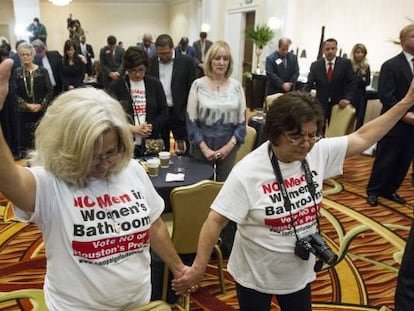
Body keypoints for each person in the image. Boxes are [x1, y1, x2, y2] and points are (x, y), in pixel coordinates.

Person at [174, 81, 414, 310]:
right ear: (275, 132)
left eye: (312, 135)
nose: (306, 144)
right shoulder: (248, 172)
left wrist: (406, 101)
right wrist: (198, 268)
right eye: (296, 136)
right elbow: (215, 221)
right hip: (256, 275)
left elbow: (363, 137)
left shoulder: (316, 153)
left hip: (299, 272)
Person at [0, 58, 195, 310]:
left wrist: (178, 267)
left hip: (137, 303)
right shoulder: (50, 182)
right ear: (67, 150)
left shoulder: (131, 169)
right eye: (91, 158)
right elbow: (7, 177)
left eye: (110, 153)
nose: (103, 165)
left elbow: (154, 225)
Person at [366, 24, 414, 207]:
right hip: (393, 122)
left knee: (404, 159)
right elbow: (386, 96)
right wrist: (405, 115)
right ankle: (373, 191)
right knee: (386, 158)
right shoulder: (391, 65)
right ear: (403, 41)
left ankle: (390, 190)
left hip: (412, 127)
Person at [187, 40, 246, 182]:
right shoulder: (198, 85)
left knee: (224, 189)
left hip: (229, 148)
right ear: (210, 61)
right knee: (200, 190)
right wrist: (204, 148)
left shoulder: (237, 86)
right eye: (217, 58)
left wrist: (227, 148)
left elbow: (242, 122)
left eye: (225, 59)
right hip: (201, 147)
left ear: (229, 62)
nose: (221, 62)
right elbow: (191, 121)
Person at [108, 46, 168, 158]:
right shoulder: (117, 86)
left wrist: (151, 126)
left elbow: (164, 112)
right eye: (133, 71)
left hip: (151, 144)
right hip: (125, 144)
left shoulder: (155, 84)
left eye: (141, 70)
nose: (137, 74)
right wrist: (132, 128)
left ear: (146, 67)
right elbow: (110, 116)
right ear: (126, 69)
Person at [147, 34, 195, 152]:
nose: (163, 56)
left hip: (179, 112)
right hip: (159, 113)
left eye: (166, 53)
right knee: (161, 149)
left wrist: (186, 112)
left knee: (183, 149)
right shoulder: (150, 62)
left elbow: (192, 88)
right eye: (160, 53)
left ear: (173, 48)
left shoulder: (187, 62)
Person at [12, 42, 53, 158]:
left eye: (28, 54)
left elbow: (50, 91)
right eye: (23, 54)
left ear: (33, 55)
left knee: (42, 139)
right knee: (26, 144)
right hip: (24, 113)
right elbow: (13, 93)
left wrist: (41, 105)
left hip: (41, 112)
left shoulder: (43, 71)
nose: (25, 57)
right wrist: (27, 105)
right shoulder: (16, 73)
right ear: (19, 56)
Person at [307, 38, 356, 123]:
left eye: (333, 49)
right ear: (323, 50)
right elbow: (309, 84)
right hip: (321, 104)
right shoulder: (316, 65)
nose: (330, 51)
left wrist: (347, 98)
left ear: (336, 49)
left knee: (336, 130)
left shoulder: (345, 64)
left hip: (340, 104)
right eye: (327, 49)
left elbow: (352, 83)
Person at [350, 43, 371, 129]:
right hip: (350, 94)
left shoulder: (366, 66)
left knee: (360, 117)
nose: (360, 54)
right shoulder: (349, 65)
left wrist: (358, 80)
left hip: (361, 95)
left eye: (362, 52)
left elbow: (367, 82)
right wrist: (360, 79)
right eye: (357, 52)